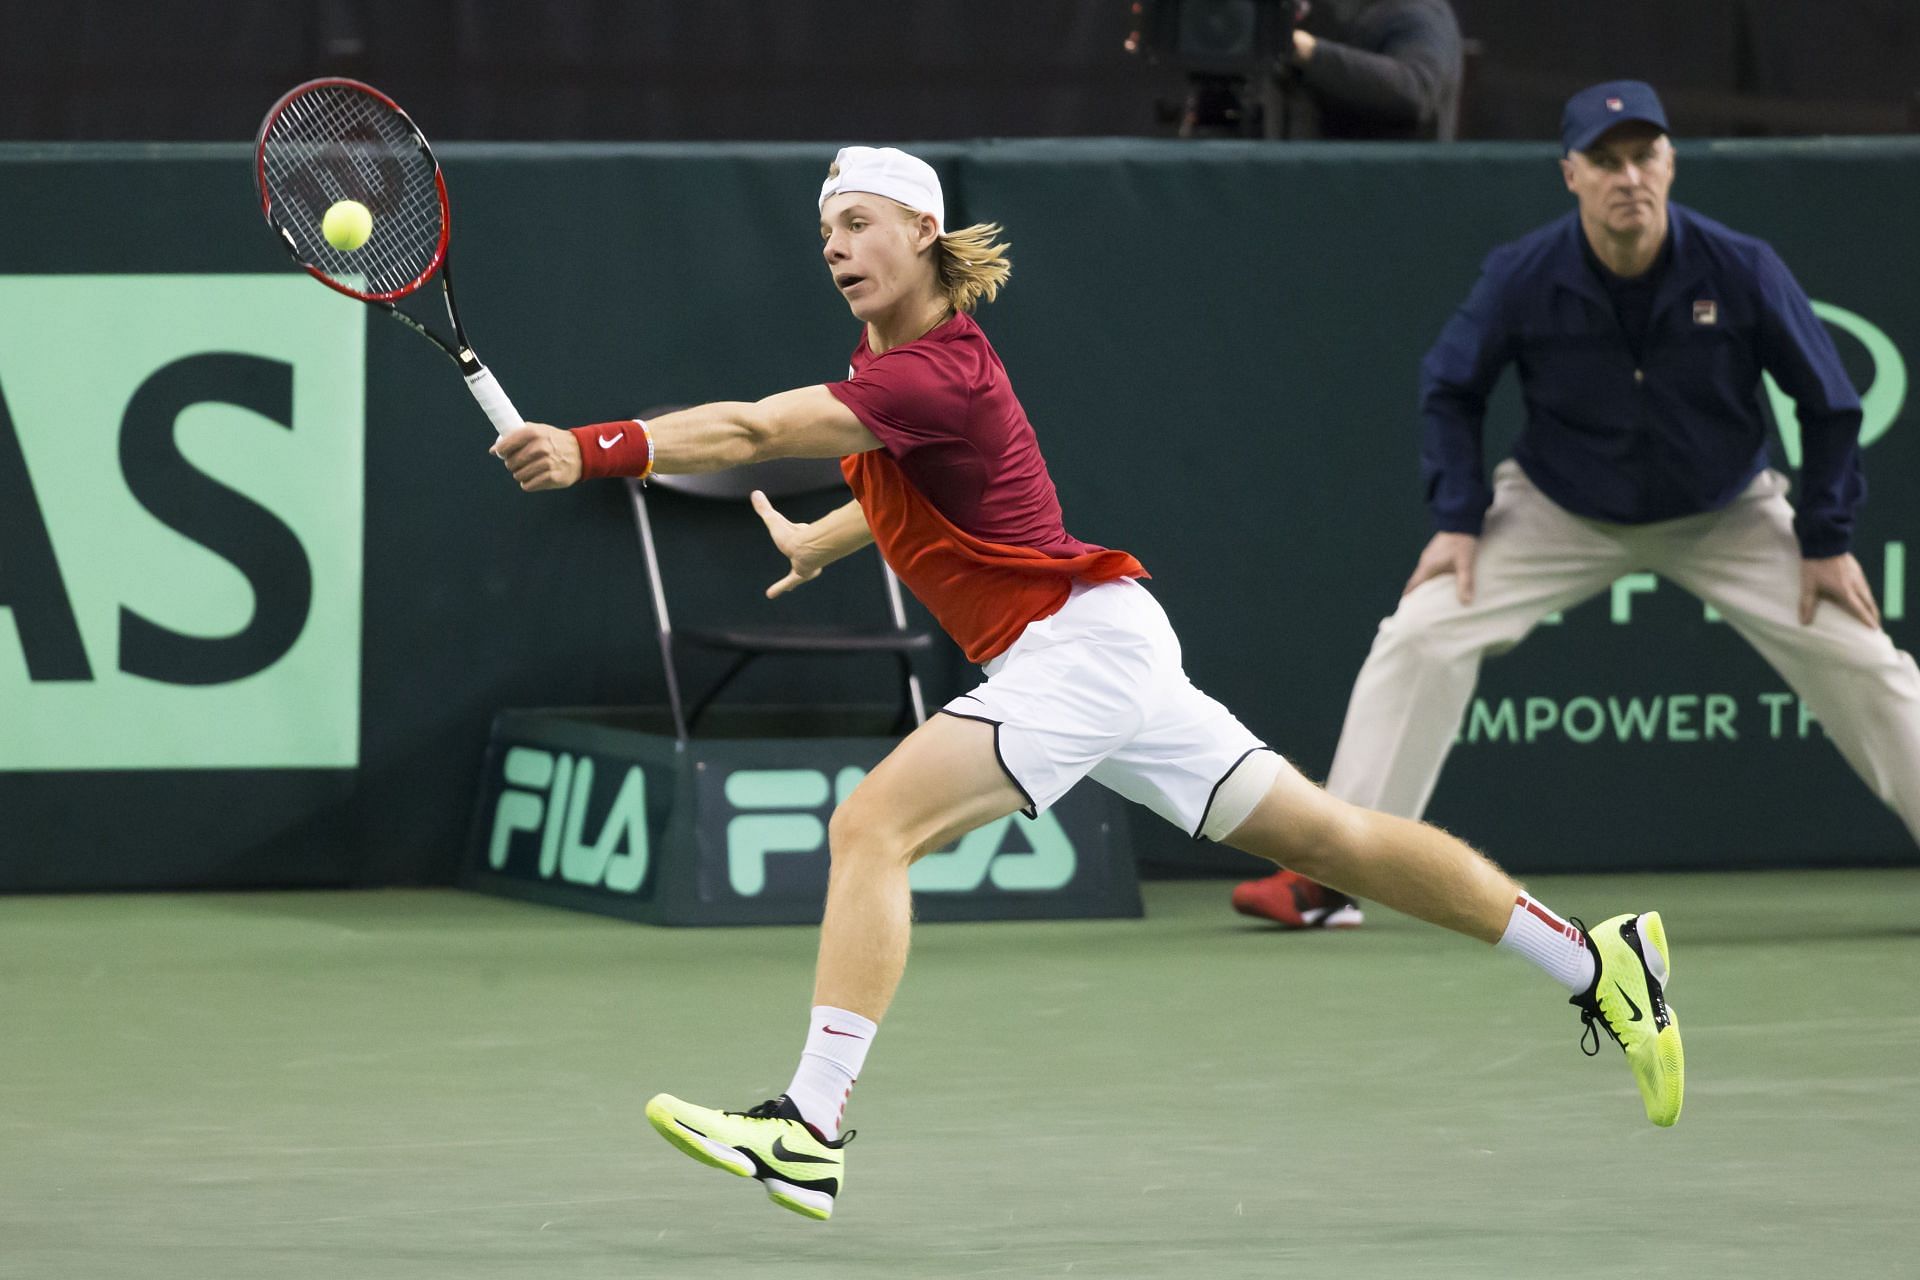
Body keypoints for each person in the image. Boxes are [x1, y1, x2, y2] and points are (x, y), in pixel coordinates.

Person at [491, 144, 1684, 1221]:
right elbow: (899, 471)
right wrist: (831, 535)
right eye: (824, 234)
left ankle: (808, 1125)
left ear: (919, 230)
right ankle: (1598, 961)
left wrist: (593, 449)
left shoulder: (928, 371)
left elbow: (754, 430)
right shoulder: (898, 365)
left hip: (1075, 650)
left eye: (857, 224)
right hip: (1102, 646)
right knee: (1336, 840)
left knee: (872, 826)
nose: (836, 249)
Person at [1234, 80, 1920, 929]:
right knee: (1420, 636)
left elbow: (1829, 402)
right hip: (1560, 510)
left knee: (1863, 658)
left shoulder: (1740, 267)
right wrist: (1457, 518)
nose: (1627, 175)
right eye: (1605, 160)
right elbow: (1452, 387)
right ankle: (1332, 878)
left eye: (1644, 156)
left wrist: (1824, 536)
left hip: (1727, 512)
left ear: (1669, 164)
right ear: (1571, 175)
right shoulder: (1525, 273)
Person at [1261, 0, 1463, 140]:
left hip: (1388, 187)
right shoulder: (1339, 11)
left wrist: (1308, 51)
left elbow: (1415, 88)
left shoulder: (1422, 11)